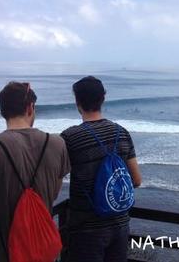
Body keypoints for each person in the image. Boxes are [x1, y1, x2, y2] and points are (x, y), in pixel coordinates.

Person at [0, 82, 70, 262]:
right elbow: (52, 193)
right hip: (44, 251)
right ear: (30, 107)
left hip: (5, 254)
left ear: (3, 110)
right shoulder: (57, 144)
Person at [61, 76, 142, 262]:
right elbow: (136, 180)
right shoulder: (122, 133)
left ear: (77, 102)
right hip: (120, 225)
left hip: (86, 229)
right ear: (103, 98)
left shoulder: (70, 137)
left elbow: (56, 178)